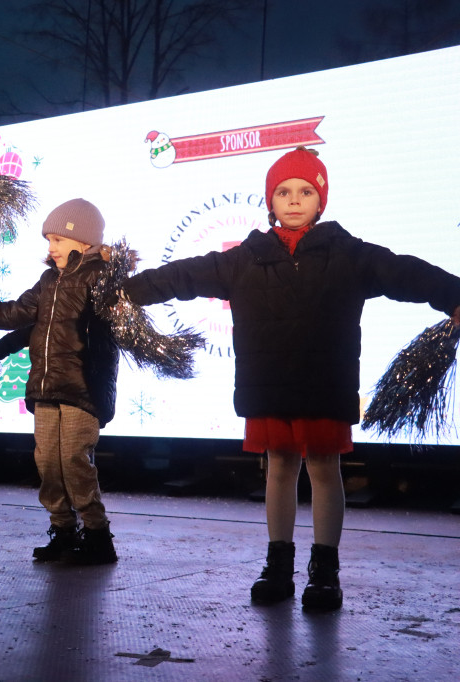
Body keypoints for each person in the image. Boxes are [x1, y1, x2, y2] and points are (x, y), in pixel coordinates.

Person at [121, 147, 460, 610]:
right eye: (283, 191)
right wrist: (126, 294)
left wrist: (454, 295)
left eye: (305, 191)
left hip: (325, 382)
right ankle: (278, 565)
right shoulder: (245, 259)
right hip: (268, 385)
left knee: (324, 469)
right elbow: (183, 275)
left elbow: (407, 272)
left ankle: (325, 571)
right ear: (270, 200)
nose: (294, 200)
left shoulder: (349, 255)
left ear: (321, 200)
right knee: (278, 468)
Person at [0, 198, 120, 564]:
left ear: (83, 241)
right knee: (47, 463)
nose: (51, 248)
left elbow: (114, 328)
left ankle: (97, 535)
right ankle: (62, 529)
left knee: (74, 459)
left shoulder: (100, 278)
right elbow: (17, 314)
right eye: (49, 241)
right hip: (46, 387)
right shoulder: (48, 281)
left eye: (57, 240)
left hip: (83, 388)